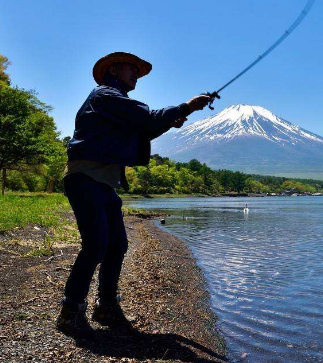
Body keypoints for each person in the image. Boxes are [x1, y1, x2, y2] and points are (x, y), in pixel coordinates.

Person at [56, 52, 212, 339]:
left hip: (103, 182)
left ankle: (106, 307)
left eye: (139, 72)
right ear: (114, 69)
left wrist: (176, 116)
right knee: (95, 246)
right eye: (132, 69)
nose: (136, 75)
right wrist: (187, 106)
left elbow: (143, 130)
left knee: (116, 245)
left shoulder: (114, 103)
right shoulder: (106, 95)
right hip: (86, 178)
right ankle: (70, 312)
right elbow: (147, 120)